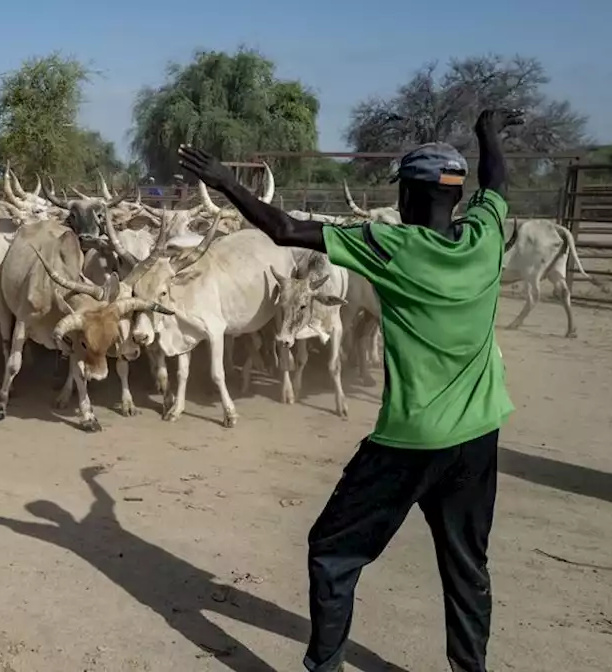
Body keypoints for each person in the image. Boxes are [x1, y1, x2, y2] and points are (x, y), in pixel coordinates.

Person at [178, 108, 524, 672]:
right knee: (467, 563)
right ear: (457, 199)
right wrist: (488, 133)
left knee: (333, 552)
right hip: (480, 434)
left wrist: (225, 182)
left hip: (409, 442)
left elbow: (285, 230)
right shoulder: (486, 238)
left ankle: (325, 666)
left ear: (409, 198)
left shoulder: (390, 246)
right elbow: (499, 182)